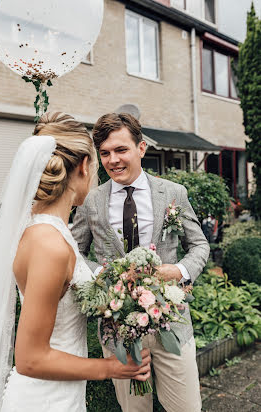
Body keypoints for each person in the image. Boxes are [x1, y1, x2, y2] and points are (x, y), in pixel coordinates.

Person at [0, 112, 151, 412]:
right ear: (85, 166)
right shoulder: (50, 245)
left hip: (60, 393)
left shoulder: (47, 230)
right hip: (44, 400)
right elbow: (30, 359)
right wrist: (111, 368)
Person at [72, 113, 210, 412]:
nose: (113, 160)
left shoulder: (174, 193)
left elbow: (198, 245)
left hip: (172, 325)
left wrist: (180, 270)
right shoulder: (91, 200)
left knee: (186, 407)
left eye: (121, 150)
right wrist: (104, 275)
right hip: (117, 328)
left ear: (142, 149)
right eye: (105, 153)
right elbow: (74, 252)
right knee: (134, 409)